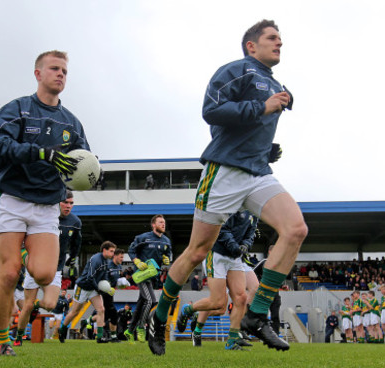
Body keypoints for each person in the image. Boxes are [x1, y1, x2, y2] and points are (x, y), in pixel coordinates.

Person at [147, 19, 307, 355]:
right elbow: (213, 111)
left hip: (258, 173)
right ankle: (159, 317)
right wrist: (262, 106)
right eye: (272, 38)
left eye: (281, 39)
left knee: (295, 229)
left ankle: (257, 314)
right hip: (224, 172)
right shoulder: (236, 71)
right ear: (251, 46)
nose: (280, 43)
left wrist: (267, 148)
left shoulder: (275, 83)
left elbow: (252, 129)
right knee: (197, 252)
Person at [0, 50, 90, 356]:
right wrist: (40, 153)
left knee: (44, 274)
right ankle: (2, 340)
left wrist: (92, 173)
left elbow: (84, 160)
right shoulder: (17, 109)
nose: (61, 75)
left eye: (65, 71)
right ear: (38, 73)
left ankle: (28, 261)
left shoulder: (72, 122)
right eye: (55, 69)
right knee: (8, 272)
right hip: (13, 199)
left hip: (47, 207)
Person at [178, 210, 256, 350]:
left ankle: (232, 341)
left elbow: (251, 232)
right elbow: (221, 229)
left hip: (235, 257)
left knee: (241, 298)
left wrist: (245, 245)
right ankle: (188, 310)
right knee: (218, 303)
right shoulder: (231, 205)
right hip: (217, 254)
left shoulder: (254, 211)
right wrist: (235, 247)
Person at [14, 189, 82, 346]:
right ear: (58, 202)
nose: (68, 206)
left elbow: (76, 244)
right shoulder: (44, 216)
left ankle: (35, 305)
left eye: (71, 203)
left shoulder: (75, 222)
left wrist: (72, 258)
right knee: (27, 305)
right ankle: (19, 337)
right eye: (65, 202)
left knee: (51, 304)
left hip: (55, 269)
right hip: (35, 266)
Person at [124, 215, 172, 343]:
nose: (163, 224)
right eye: (160, 222)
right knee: (151, 300)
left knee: (142, 303)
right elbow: (131, 250)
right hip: (141, 274)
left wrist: (167, 258)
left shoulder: (166, 240)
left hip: (153, 276)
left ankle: (129, 330)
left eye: (164, 222)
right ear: (153, 225)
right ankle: (141, 327)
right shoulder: (143, 238)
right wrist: (136, 260)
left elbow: (168, 254)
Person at [58, 242, 117, 344]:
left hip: (93, 288)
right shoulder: (96, 259)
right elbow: (90, 277)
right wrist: (98, 289)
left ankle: (99, 337)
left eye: (113, 251)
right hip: (83, 287)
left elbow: (105, 276)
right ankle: (62, 330)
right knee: (75, 312)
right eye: (111, 251)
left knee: (101, 309)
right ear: (104, 250)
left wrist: (108, 287)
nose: (113, 254)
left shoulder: (106, 261)